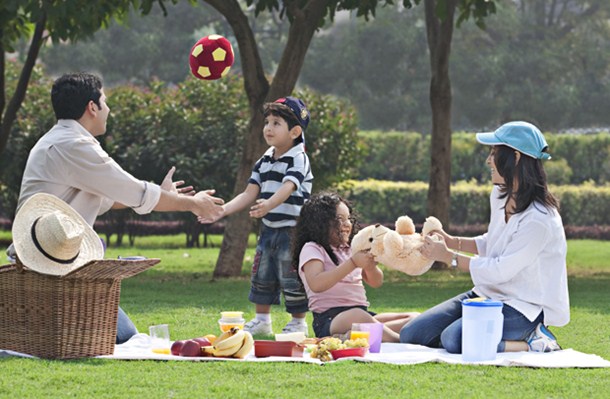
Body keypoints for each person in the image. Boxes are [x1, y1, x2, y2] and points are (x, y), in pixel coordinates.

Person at [6, 72, 224, 344]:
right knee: (125, 339)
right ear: (92, 107)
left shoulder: (59, 140)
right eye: (105, 102)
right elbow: (135, 192)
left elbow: (113, 198)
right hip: (50, 270)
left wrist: (163, 194)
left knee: (124, 335)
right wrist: (194, 204)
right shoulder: (75, 145)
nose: (108, 109)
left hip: (50, 264)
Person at [400, 121, 569, 353]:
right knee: (412, 334)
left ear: (516, 157)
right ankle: (485, 336)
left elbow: (501, 270)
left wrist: (448, 256)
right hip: (487, 294)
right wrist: (450, 240)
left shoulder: (540, 219)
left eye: (494, 153)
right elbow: (493, 243)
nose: (488, 160)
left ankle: (534, 341)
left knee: (454, 339)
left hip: (523, 307)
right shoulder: (500, 195)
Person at [199, 97, 313, 335]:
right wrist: (223, 210)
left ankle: (298, 323)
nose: (268, 128)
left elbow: (289, 186)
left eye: (276, 123)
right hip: (269, 229)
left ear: (295, 131)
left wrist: (269, 204)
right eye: (267, 122)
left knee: (291, 275)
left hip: (292, 231)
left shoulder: (298, 157)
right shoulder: (265, 159)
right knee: (262, 273)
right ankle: (262, 320)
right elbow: (250, 192)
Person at [294, 192, 419, 341]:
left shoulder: (351, 249)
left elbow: (376, 282)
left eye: (348, 218)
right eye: (339, 219)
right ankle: (398, 341)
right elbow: (316, 283)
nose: (347, 224)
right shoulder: (313, 248)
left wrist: (370, 266)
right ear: (320, 223)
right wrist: (352, 263)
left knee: (414, 318)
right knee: (357, 316)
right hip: (330, 319)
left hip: (363, 316)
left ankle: (355, 335)